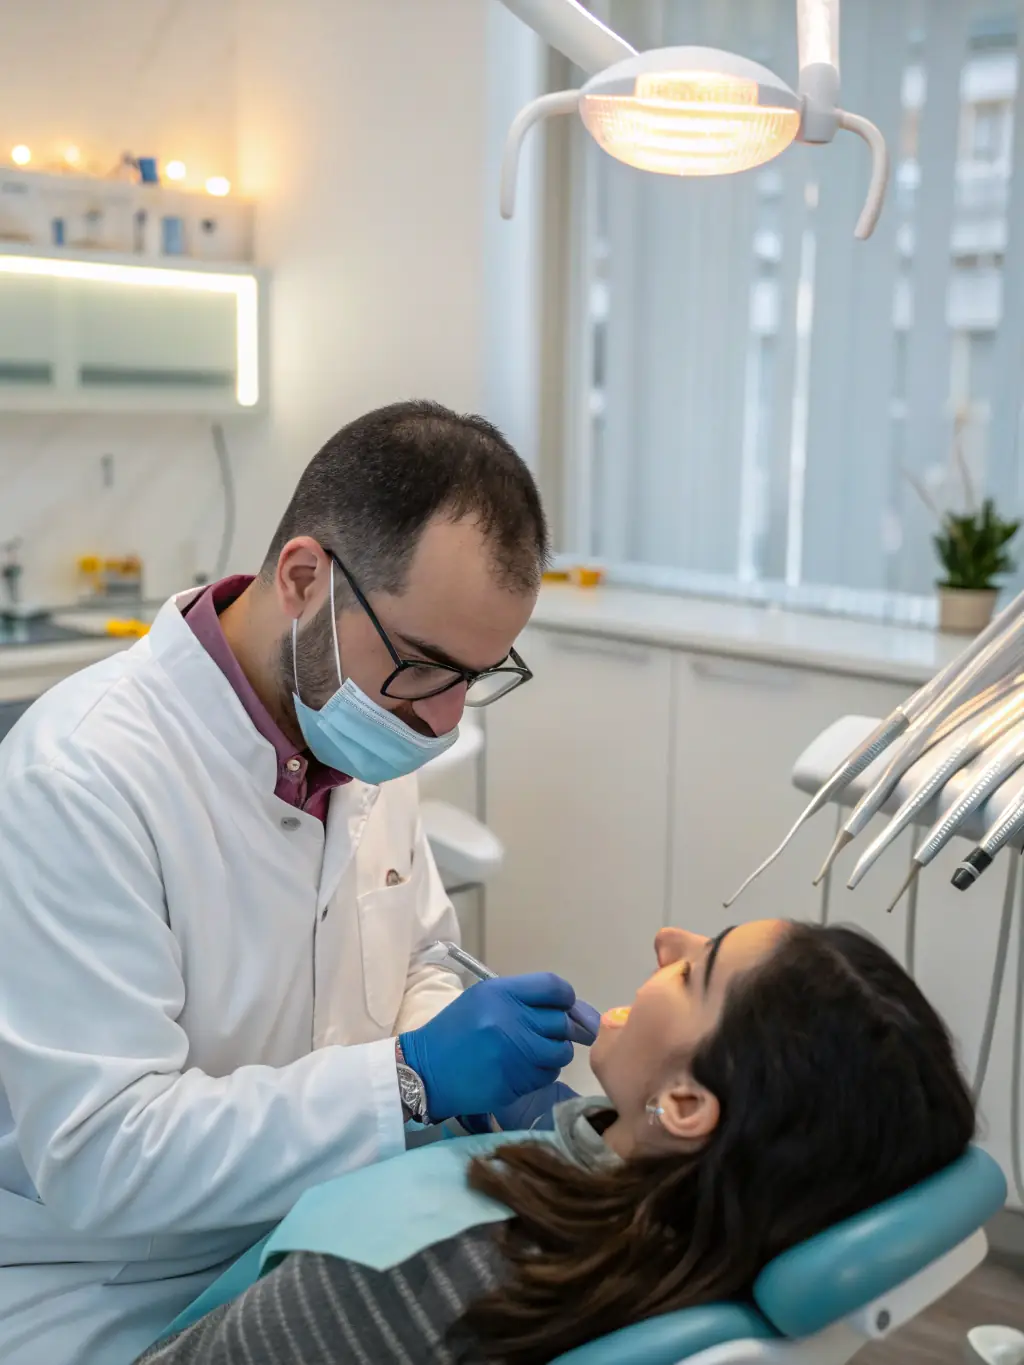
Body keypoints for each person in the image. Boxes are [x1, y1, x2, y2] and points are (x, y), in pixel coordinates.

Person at [0, 401, 587, 1365]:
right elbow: (105, 1156)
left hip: (317, 1229)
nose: (440, 722)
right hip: (109, 1291)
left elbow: (419, 952)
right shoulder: (85, 777)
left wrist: (466, 1055)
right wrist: (408, 1080)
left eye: (476, 679)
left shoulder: (354, 734)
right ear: (305, 577)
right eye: (424, 668)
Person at [137, 919, 976, 1365]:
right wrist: (573, 1133)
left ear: (683, 1103)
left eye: (693, 973)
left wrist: (419, 1086)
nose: (666, 940)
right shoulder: (694, 1246)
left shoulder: (439, 1256)